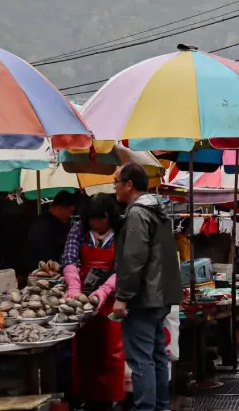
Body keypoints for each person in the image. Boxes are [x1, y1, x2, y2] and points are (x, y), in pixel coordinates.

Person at [113, 163, 183, 411]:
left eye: (116, 182)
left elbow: (134, 258)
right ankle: (161, 407)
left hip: (144, 298)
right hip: (161, 297)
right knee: (156, 357)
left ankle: (145, 408)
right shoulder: (157, 211)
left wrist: (122, 297)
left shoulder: (137, 214)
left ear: (129, 184)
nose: (115, 188)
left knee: (142, 359)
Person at [62, 194, 124, 411]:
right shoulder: (78, 230)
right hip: (82, 300)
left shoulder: (122, 232)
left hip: (111, 301)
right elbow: (69, 258)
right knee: (84, 350)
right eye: (92, 219)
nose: (95, 224)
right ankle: (86, 397)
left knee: (110, 351)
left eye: (100, 219)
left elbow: (123, 267)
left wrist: (105, 290)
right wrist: (74, 287)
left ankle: (109, 399)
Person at [24, 190, 75, 272]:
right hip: (42, 272)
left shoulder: (62, 223)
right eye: (70, 211)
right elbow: (47, 255)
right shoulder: (43, 226)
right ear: (59, 208)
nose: (71, 215)